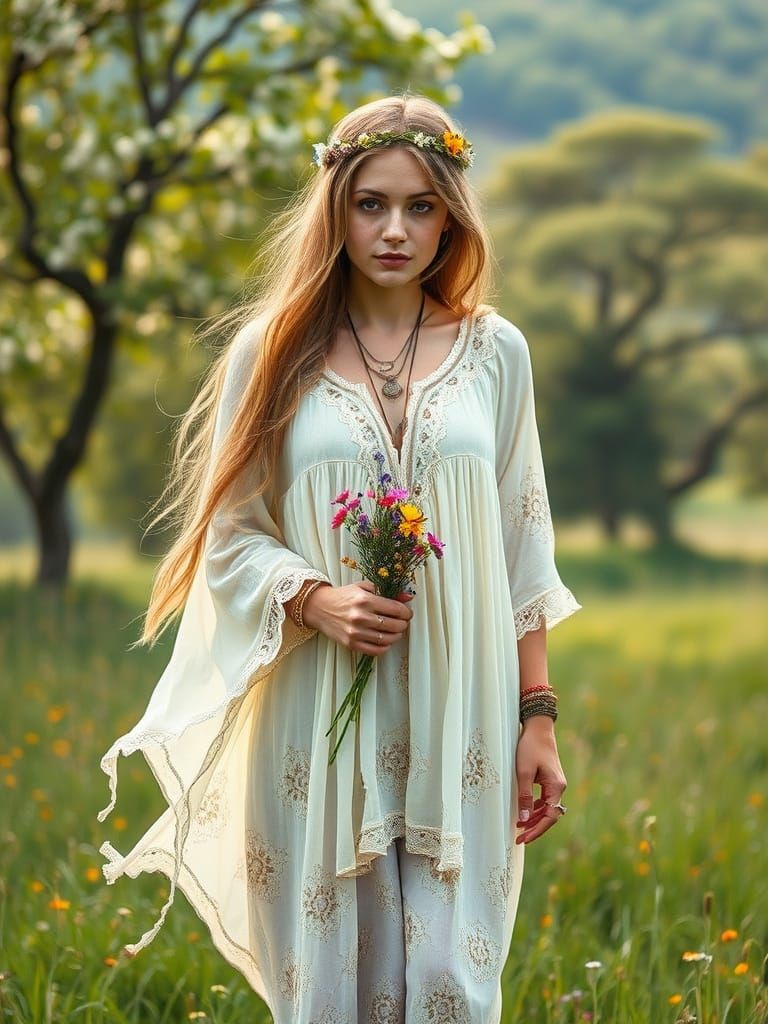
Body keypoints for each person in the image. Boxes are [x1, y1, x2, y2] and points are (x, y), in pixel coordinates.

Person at [97, 92, 582, 1023]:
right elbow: (229, 537)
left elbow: (526, 542)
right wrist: (315, 597)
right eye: (371, 203)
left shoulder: (497, 355)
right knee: (329, 990)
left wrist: (539, 716)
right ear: (335, 208)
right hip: (317, 721)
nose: (395, 229)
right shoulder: (269, 353)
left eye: (421, 206)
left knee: (449, 982)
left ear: (452, 215)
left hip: (465, 717)